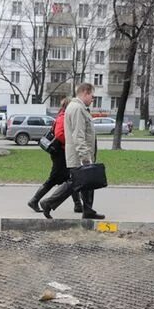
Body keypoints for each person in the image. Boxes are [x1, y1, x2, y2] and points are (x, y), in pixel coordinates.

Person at [39, 83, 105, 220]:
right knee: (76, 182)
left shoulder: (79, 108)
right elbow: (78, 135)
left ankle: (88, 210)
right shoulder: (77, 109)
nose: (93, 99)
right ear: (85, 92)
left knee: (88, 181)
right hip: (79, 155)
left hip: (81, 153)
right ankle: (48, 202)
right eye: (92, 96)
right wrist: (85, 157)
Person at [27, 98, 84, 213]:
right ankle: (34, 200)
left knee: (72, 178)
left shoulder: (63, 116)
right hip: (60, 154)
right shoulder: (63, 117)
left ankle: (78, 205)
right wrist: (70, 143)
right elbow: (59, 134)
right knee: (54, 179)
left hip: (63, 153)